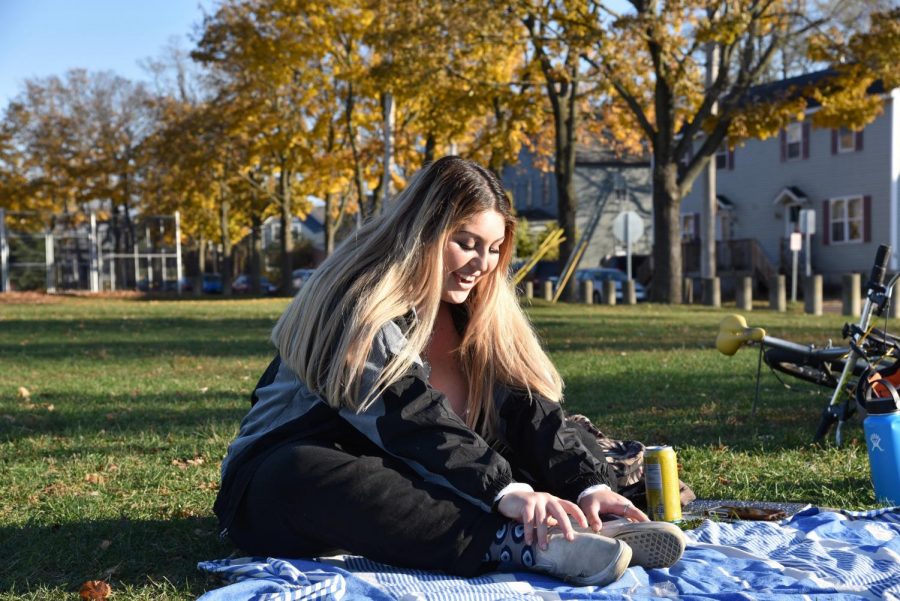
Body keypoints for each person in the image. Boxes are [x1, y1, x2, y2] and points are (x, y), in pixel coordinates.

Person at [213, 156, 686, 586]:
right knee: (298, 472)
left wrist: (589, 484)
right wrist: (508, 489)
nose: (483, 264)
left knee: (521, 457)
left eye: (495, 248)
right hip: (277, 488)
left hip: (417, 474)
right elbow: (407, 414)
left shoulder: (475, 310)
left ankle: (589, 527)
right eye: (466, 243)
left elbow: (529, 409)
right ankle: (513, 543)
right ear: (424, 231)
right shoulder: (356, 303)